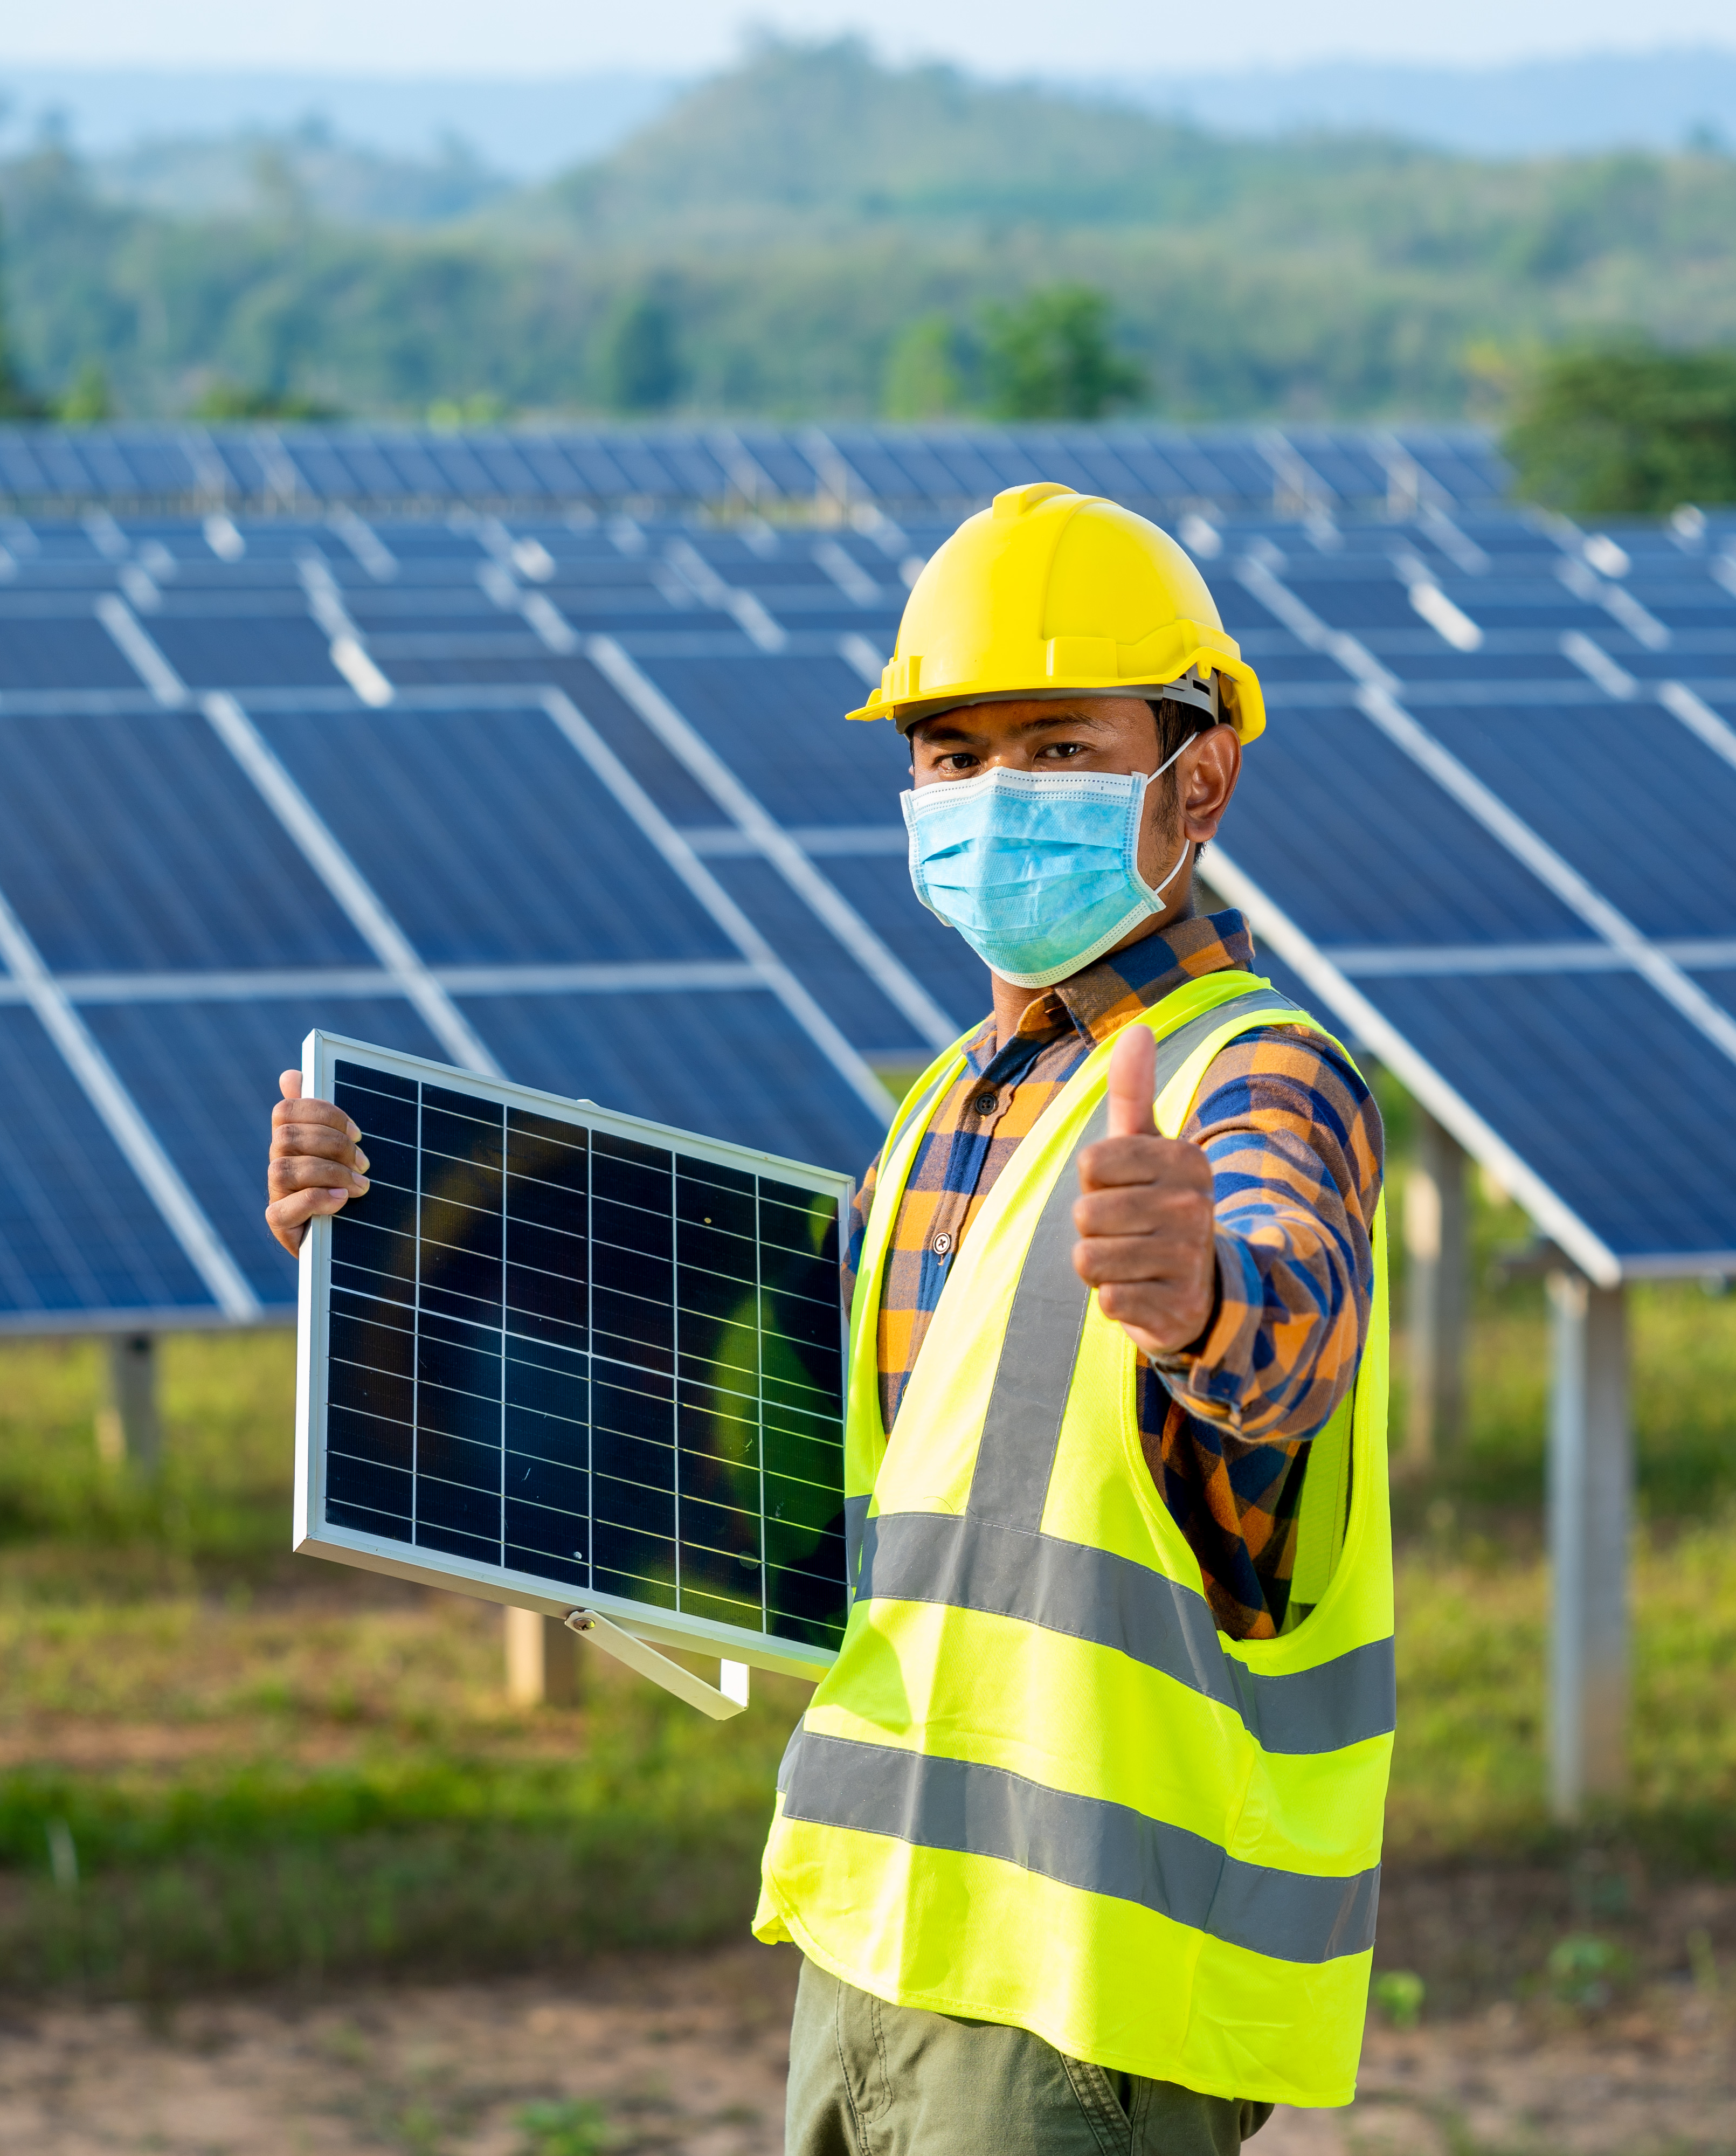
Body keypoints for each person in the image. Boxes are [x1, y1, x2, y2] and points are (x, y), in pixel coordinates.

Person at [265, 482, 1391, 2154]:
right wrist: (383, 1234)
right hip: (874, 1935)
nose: (995, 794)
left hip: (1075, 1987)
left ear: (1199, 777)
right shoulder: (947, 1105)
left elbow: (1286, 1323)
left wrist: (1202, 1295)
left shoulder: (1257, 1074)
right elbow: (770, 1457)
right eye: (953, 753)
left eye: (1063, 750)